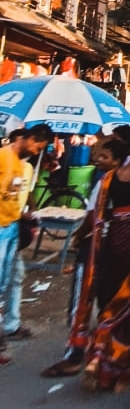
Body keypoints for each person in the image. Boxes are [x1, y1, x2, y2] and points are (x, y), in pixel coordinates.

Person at [77, 130, 130, 392]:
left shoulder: (112, 177)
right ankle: (124, 370)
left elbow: (100, 214)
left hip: (114, 241)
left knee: (112, 297)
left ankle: (100, 356)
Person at [40, 135, 126, 378]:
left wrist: (78, 238)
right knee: (108, 301)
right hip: (115, 250)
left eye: (104, 156)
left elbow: (91, 218)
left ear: (116, 160)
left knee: (82, 301)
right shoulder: (128, 181)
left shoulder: (106, 183)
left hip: (95, 248)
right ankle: (105, 350)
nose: (97, 159)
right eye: (97, 154)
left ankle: (76, 354)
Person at [0, 124, 53, 365]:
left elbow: (18, 195)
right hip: (2, 227)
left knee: (13, 277)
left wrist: (27, 212)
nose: (35, 151)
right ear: (28, 138)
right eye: (36, 146)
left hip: (12, 228)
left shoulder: (25, 166)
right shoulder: (3, 158)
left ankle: (10, 324)